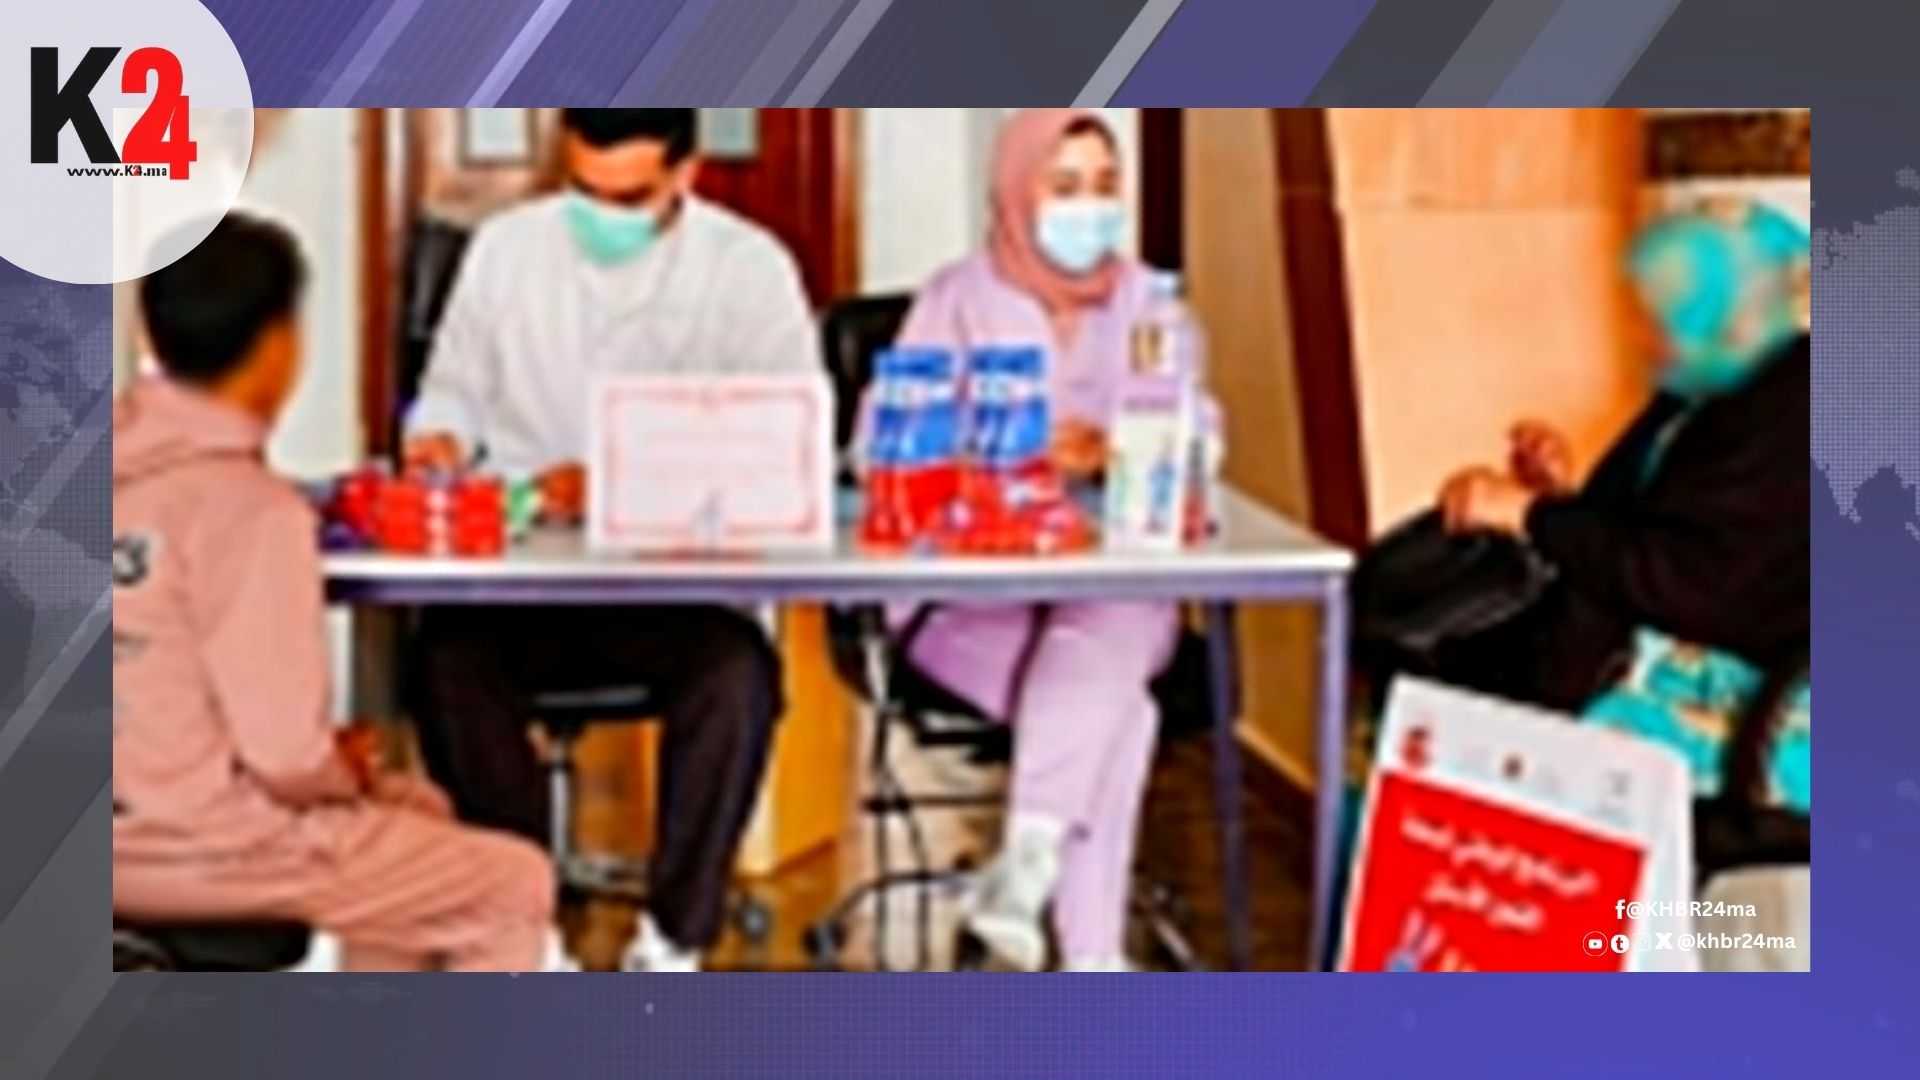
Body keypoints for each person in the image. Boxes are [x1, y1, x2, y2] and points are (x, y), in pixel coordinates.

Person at [403, 109, 816, 971]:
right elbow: (452, 390)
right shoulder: (507, 252)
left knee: (739, 677)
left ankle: (674, 937)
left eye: (628, 199)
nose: (601, 216)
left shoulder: (748, 270)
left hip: (670, 586)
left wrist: (631, 481)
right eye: (583, 190)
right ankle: (525, 925)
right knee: (443, 665)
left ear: (685, 173)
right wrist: (438, 438)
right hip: (521, 579)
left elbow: (786, 440)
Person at [113, 215, 555, 972]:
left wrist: (333, 768)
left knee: (418, 810)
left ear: (149, 337)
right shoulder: (251, 510)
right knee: (513, 883)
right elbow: (285, 758)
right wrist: (337, 766)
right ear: (280, 347)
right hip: (202, 850)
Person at [880, 109, 1210, 971]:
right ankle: (1089, 959)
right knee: (1119, 712)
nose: (1089, 208)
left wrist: (1122, 445)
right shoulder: (956, 297)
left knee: (1109, 628)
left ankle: (1024, 875)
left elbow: (1201, 436)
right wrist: (1006, 448)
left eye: (1104, 186)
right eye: (1065, 187)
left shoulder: (1148, 301)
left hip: (1110, 590)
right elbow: (876, 445)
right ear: (1018, 191)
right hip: (971, 605)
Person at [1430, 203, 1809, 712]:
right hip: (1628, 640)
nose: (1650, 332)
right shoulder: (1707, 387)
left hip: (1736, 692)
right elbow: (1657, 523)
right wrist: (1557, 496)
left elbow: (1691, 581)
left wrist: (1530, 514)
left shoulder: (1793, 407)